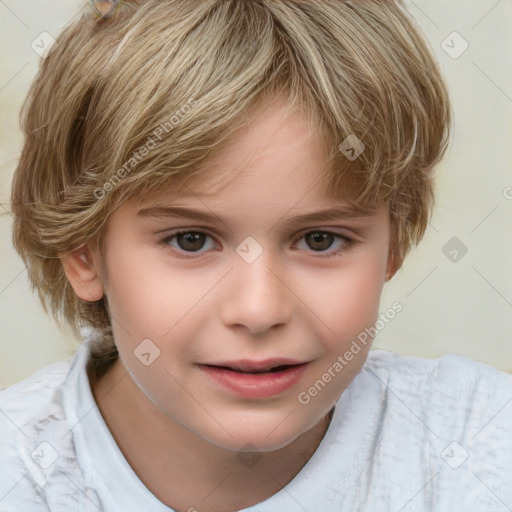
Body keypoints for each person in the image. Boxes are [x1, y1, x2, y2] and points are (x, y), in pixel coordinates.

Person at [1, 1, 511, 511]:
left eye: (319, 240)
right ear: (83, 251)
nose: (260, 310)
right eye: (191, 240)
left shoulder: (482, 448)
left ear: (392, 244)